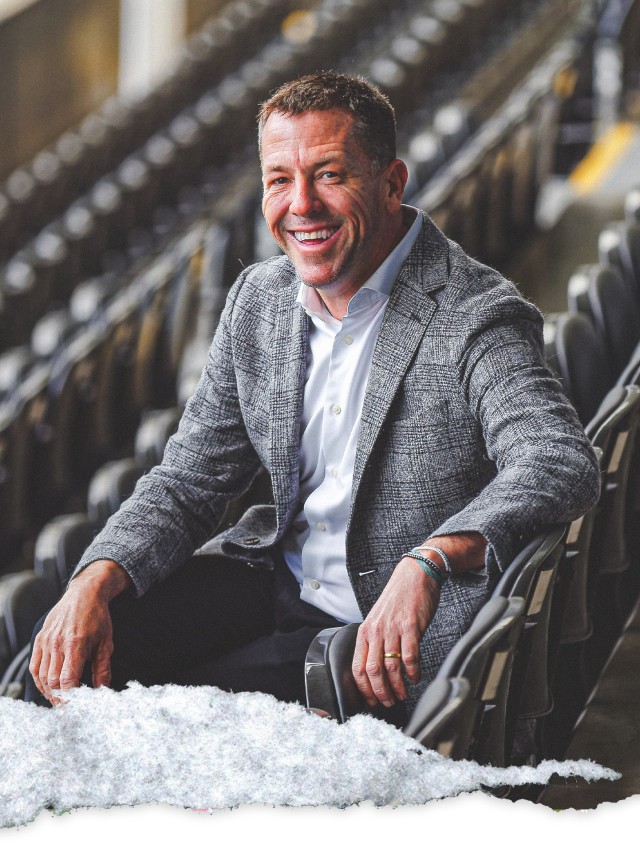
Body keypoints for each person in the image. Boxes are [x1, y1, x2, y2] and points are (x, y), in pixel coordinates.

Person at [26, 72, 600, 720]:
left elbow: (556, 460)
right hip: (277, 582)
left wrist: (432, 559)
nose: (301, 204)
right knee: (54, 670)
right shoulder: (259, 301)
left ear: (391, 183)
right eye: (279, 179)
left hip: (382, 636)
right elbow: (190, 479)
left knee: (158, 712)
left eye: (329, 175)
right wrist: (94, 577)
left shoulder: (474, 314)